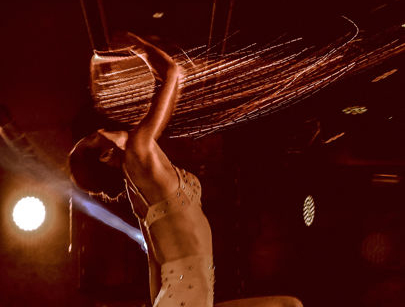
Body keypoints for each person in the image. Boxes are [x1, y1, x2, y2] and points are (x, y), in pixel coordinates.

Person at [69, 33, 303, 307]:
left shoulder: (136, 189)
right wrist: (136, 46)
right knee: (288, 306)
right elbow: (172, 73)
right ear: (106, 155)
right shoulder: (138, 149)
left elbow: (154, 262)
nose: (99, 129)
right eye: (93, 137)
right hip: (186, 300)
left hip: (185, 300)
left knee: (289, 305)